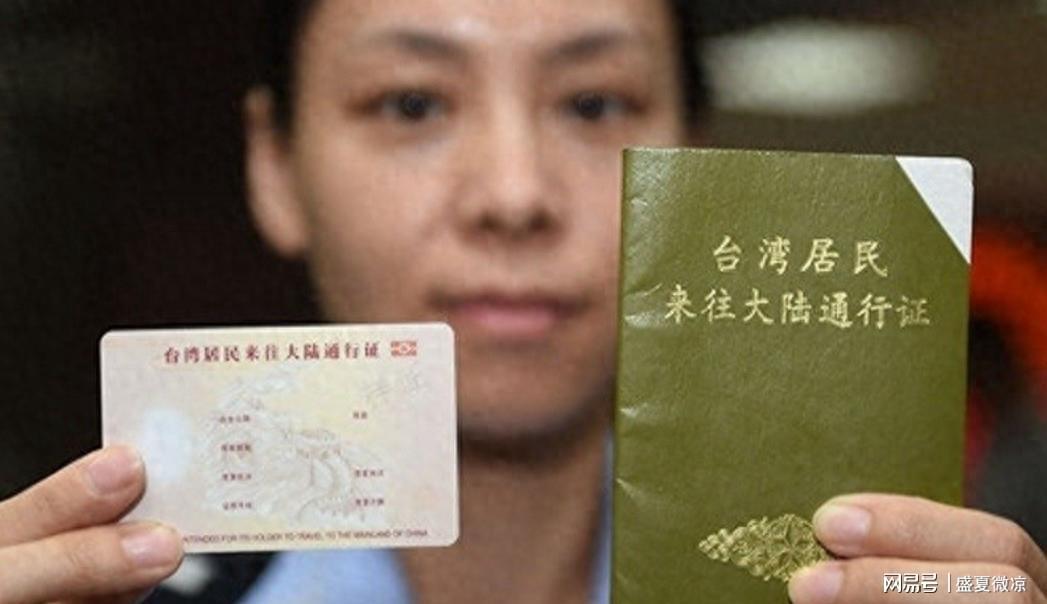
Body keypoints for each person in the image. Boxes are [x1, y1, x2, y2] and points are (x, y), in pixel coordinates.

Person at [1, 0, 1045, 603]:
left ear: (696, 164)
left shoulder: (836, 574)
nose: (513, 195)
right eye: (412, 102)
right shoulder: (115, 593)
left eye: (593, 102)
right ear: (275, 168)